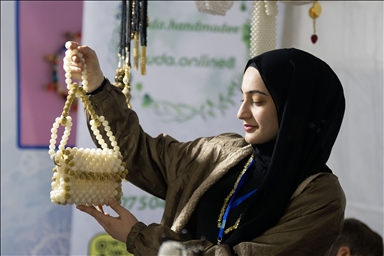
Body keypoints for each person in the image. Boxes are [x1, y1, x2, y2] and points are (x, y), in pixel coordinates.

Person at [67, 41, 346, 256]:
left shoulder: (319, 196)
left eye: (258, 101)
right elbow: (137, 151)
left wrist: (140, 237)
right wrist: (95, 86)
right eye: (242, 98)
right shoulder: (223, 153)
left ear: (294, 111)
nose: (241, 113)